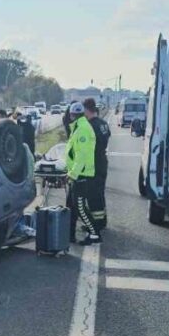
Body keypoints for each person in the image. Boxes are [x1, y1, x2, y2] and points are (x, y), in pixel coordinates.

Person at [65, 102, 100, 245]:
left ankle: (94, 235)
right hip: (77, 173)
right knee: (71, 207)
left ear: (72, 115)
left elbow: (82, 155)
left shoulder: (82, 129)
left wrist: (72, 174)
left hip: (81, 175)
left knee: (80, 208)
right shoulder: (78, 127)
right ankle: (69, 235)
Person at [83, 97, 111, 231]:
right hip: (102, 161)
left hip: (93, 163)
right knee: (100, 193)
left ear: (87, 110)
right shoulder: (104, 123)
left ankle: (96, 224)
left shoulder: (90, 126)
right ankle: (102, 221)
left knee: (93, 196)